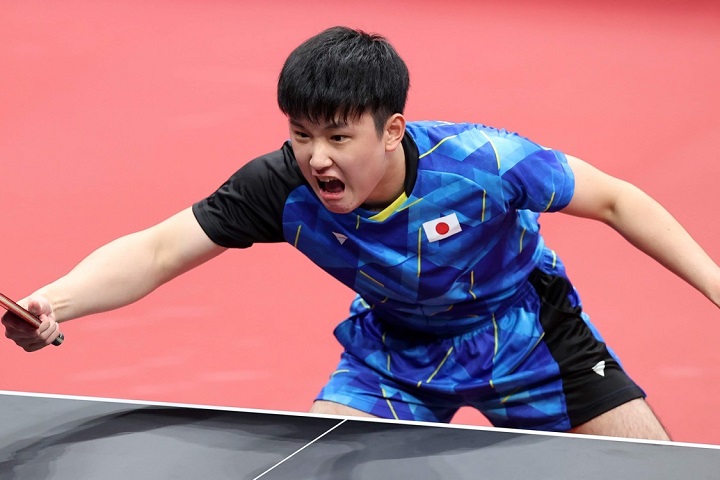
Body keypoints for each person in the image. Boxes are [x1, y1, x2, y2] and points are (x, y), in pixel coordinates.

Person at [3, 26, 719, 441]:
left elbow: (617, 200)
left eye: (338, 137)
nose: (316, 158)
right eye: (301, 134)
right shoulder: (281, 185)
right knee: (316, 466)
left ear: (392, 130)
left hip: (529, 335)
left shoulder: (484, 163)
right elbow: (159, 249)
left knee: (648, 470)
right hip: (395, 353)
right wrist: (53, 304)